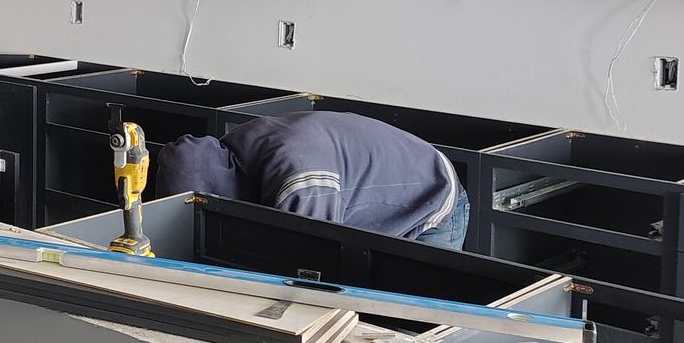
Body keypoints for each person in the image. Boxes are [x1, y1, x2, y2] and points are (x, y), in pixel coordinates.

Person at [152, 111, 468, 249]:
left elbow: (311, 270)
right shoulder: (230, 150)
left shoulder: (300, 182)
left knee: (402, 329)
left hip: (431, 198)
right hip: (362, 180)